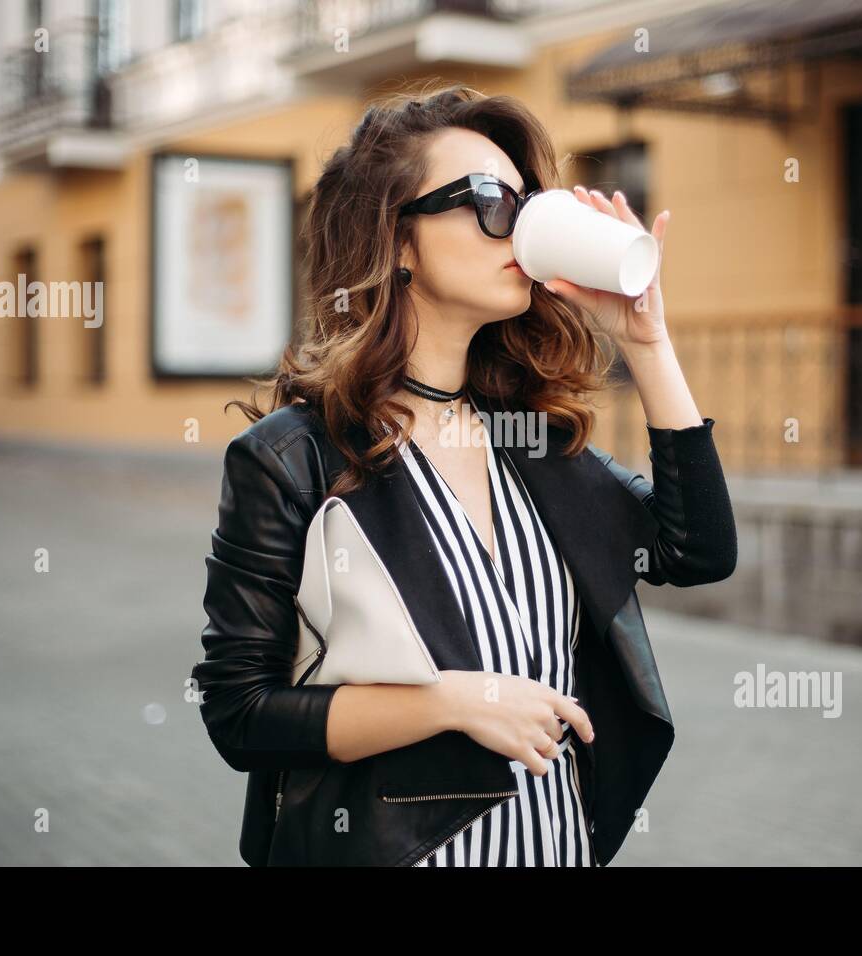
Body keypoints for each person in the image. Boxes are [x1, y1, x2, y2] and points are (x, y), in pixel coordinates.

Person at [190, 84, 736, 867]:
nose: (518, 226)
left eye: (527, 203)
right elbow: (241, 714)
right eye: (489, 201)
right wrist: (451, 702)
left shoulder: (533, 442)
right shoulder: (295, 460)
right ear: (397, 241)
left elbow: (697, 552)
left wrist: (647, 343)